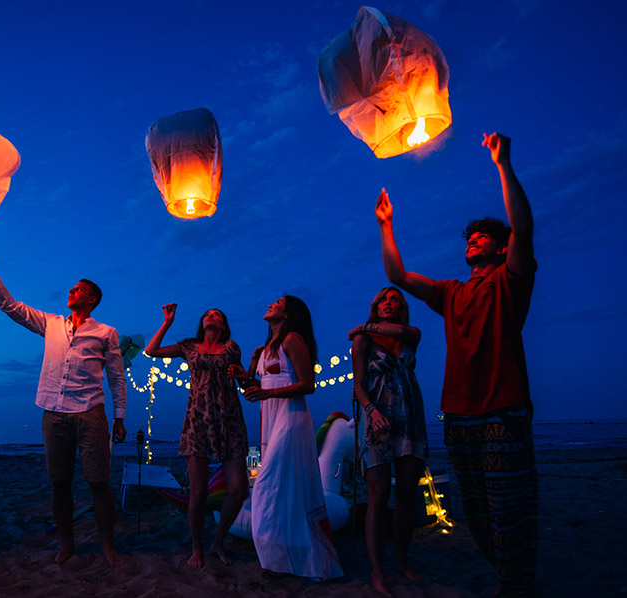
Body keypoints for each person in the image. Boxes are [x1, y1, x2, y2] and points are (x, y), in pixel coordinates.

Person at [374, 132, 537, 596]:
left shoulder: (511, 280)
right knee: (478, 513)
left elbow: (523, 229)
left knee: (509, 510)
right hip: (459, 416)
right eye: (470, 237)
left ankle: (514, 585)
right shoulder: (451, 292)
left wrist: (503, 163)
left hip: (503, 410)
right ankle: (511, 578)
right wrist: (386, 226)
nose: (473, 240)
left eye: (483, 236)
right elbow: (398, 277)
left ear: (500, 249)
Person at [0, 235, 127, 567]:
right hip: (53, 413)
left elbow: (116, 376)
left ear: (92, 298)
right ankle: (67, 545)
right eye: (71, 289)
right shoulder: (51, 324)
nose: (71, 292)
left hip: (90, 413)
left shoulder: (106, 333)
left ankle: (107, 545)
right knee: (60, 483)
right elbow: (9, 305)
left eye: (78, 289)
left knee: (98, 482)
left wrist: (120, 417)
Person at [229, 295, 343, 580]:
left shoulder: (292, 340)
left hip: (291, 419)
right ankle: (283, 558)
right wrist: (244, 373)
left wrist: (265, 392)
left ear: (289, 314)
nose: (270, 304)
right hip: (270, 420)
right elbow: (256, 386)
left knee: (267, 484)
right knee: (286, 487)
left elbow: (308, 384)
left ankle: (280, 557)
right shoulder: (266, 347)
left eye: (278, 302)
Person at [145, 304, 249, 568]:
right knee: (198, 491)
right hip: (197, 421)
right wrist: (167, 322)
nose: (211, 316)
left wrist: (245, 376)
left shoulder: (231, 348)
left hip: (229, 420)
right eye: (207, 314)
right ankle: (196, 548)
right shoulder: (189, 347)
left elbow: (244, 381)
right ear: (202, 323)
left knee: (239, 490)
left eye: (217, 314)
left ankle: (218, 541)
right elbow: (151, 351)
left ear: (224, 326)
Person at [348, 287, 428, 597]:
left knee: (408, 494)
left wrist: (365, 323)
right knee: (378, 494)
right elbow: (358, 383)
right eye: (383, 299)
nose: (389, 303)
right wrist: (370, 410)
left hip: (409, 419)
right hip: (377, 418)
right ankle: (377, 571)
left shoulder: (410, 336)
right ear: (375, 306)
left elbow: (403, 331)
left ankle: (402, 562)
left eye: (395, 299)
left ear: (402, 307)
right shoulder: (363, 342)